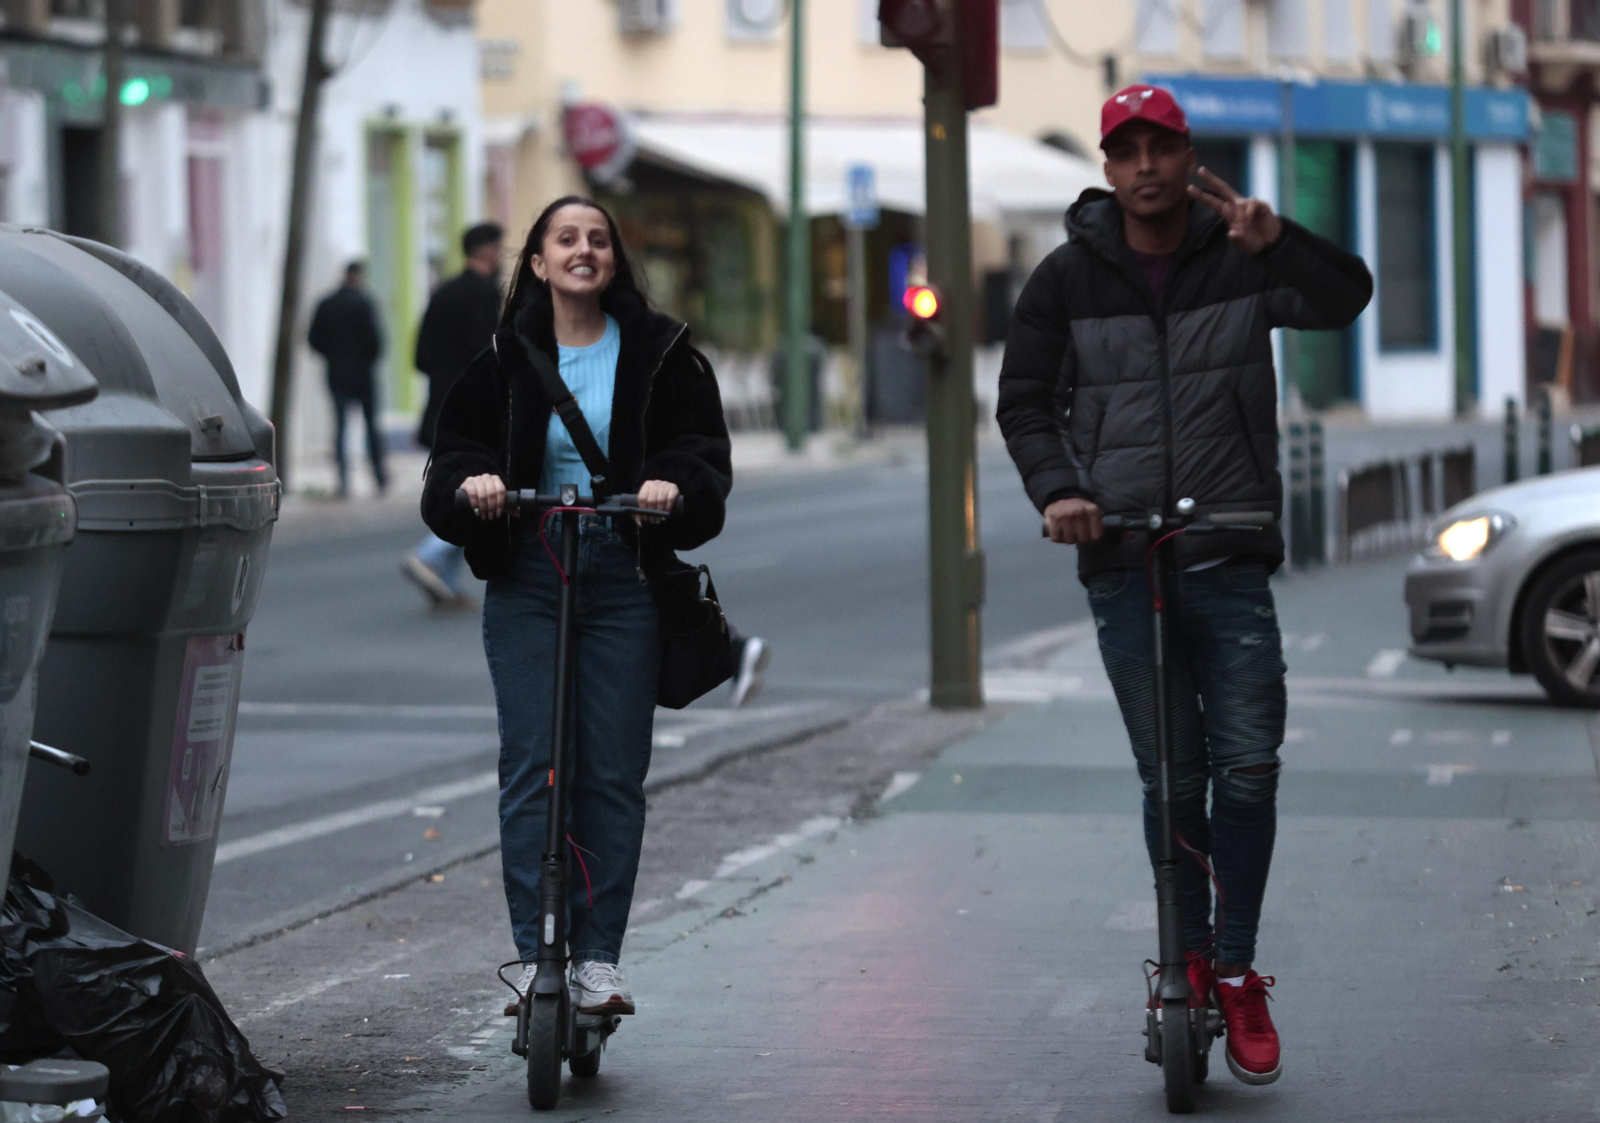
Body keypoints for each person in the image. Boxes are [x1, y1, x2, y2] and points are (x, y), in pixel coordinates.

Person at [996, 85, 1372, 1086]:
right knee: (1172, 776)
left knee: (1246, 767)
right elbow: (1024, 403)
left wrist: (1278, 238)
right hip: (1124, 561)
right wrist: (1062, 489)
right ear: (1109, 167)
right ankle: (1183, 956)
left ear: (1187, 153)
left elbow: (1344, 299)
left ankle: (1236, 966)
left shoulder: (1241, 258)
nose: (1147, 166)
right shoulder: (1064, 279)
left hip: (1228, 545)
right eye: (1128, 151)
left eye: (1163, 147)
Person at [420, 197, 731, 1017]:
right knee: (533, 768)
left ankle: (596, 959)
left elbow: (704, 459)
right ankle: (534, 954)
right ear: (538, 262)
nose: (583, 250)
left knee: (612, 773)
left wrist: (673, 483)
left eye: (598, 239)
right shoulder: (503, 357)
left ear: (614, 261)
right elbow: (449, 462)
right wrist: (473, 485)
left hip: (623, 575)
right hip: (528, 570)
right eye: (566, 239)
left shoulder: (662, 355)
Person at [402, 222, 506, 608]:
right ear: (487, 251)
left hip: (440, 407)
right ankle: (430, 555)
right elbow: (490, 357)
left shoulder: (443, 292)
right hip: (475, 412)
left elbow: (420, 356)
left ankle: (443, 579)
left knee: (459, 484)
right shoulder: (484, 295)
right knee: (485, 488)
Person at [307, 261, 387, 498]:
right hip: (363, 374)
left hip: (337, 373)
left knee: (340, 426)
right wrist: (365, 359)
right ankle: (379, 476)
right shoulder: (365, 303)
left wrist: (333, 356)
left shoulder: (326, 304)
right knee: (371, 426)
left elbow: (314, 339)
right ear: (358, 276)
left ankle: (343, 479)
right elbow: (376, 342)